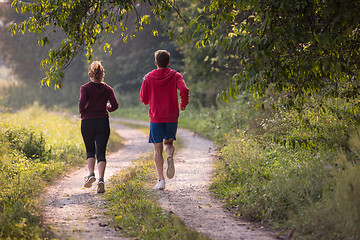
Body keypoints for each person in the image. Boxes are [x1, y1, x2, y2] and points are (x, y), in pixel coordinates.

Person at [140, 50, 189, 190]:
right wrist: (183, 104)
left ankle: (161, 180)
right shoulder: (176, 75)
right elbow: (184, 90)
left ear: (156, 62)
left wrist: (151, 100)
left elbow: (143, 99)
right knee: (168, 143)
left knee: (157, 148)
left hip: (156, 117)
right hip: (171, 116)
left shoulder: (148, 78)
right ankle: (170, 157)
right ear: (168, 62)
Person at [79, 61, 118, 194]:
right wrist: (108, 108)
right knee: (101, 152)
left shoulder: (85, 88)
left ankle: (91, 174)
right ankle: (101, 179)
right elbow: (115, 105)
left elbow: (81, 103)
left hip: (87, 122)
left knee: (90, 150)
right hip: (102, 122)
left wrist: (83, 112)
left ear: (90, 74)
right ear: (102, 75)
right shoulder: (108, 89)